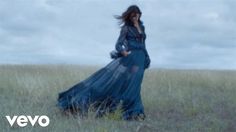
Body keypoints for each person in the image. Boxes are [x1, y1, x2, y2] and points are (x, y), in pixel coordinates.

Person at [57, 5, 151, 121]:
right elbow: (118, 44)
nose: (136, 17)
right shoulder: (126, 28)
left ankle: (133, 110)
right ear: (130, 16)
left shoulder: (142, 27)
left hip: (140, 58)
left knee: (134, 83)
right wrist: (123, 52)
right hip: (131, 58)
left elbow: (143, 42)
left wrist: (146, 56)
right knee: (130, 83)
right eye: (133, 16)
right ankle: (133, 111)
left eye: (137, 15)